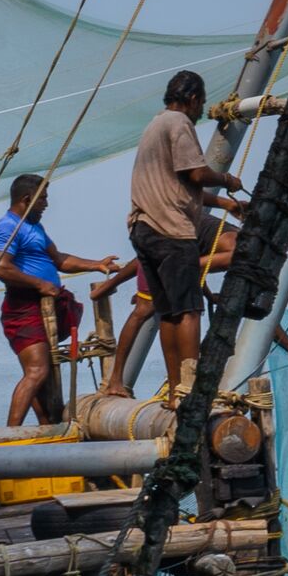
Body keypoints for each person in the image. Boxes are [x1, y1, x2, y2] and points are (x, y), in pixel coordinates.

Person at [117, 69, 244, 400]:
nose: (201, 110)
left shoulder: (154, 126)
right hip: (171, 230)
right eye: (200, 103)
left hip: (144, 228)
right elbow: (196, 173)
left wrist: (223, 204)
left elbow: (179, 186)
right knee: (189, 310)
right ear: (192, 99)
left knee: (169, 312)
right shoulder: (179, 124)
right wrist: (227, 180)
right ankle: (190, 387)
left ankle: (177, 389)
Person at [0, 172, 124, 430]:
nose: (47, 204)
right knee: (37, 371)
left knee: (42, 371)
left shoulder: (35, 227)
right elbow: (0, 268)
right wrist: (40, 284)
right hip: (23, 307)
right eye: (43, 199)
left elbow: (59, 259)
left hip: (45, 307)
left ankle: (46, 426)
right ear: (27, 199)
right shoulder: (7, 227)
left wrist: (96, 265)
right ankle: (8, 435)